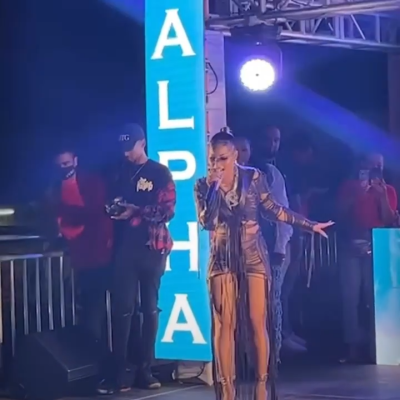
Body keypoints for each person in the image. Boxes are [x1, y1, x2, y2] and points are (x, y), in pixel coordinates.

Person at [194, 131, 333, 400]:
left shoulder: (253, 177)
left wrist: (309, 224)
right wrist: (214, 188)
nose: (217, 164)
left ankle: (261, 385)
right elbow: (207, 222)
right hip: (222, 256)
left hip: (253, 254)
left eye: (223, 158)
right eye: (212, 159)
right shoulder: (202, 185)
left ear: (235, 155)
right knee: (224, 323)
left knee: (258, 320)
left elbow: (274, 209)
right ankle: (227, 388)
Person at [98, 124, 176, 394]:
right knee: (122, 309)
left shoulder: (159, 172)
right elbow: (108, 203)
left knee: (150, 308)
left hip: (151, 247)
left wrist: (137, 211)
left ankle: (146, 368)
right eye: (123, 148)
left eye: (130, 148)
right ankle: (120, 371)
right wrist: (113, 209)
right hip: (122, 249)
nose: (126, 153)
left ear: (142, 143)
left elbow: (167, 211)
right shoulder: (118, 171)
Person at [46, 148, 113, 341]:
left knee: (94, 306)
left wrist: (64, 212)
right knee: (77, 306)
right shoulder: (54, 188)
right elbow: (50, 216)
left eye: (66, 163)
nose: (63, 168)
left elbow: (95, 213)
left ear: (75, 161)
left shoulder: (92, 182)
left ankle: (94, 349)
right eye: (59, 165)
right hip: (73, 256)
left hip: (96, 255)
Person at [337, 152, 397, 363]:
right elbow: (339, 216)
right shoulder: (349, 187)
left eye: (379, 165)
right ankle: (352, 346)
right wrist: (356, 195)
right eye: (372, 164)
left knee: (376, 298)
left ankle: (377, 345)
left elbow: (389, 220)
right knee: (350, 297)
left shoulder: (388, 190)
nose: (375, 168)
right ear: (361, 165)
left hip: (378, 245)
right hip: (351, 245)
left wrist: (382, 196)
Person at [251, 126, 294, 359]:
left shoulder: (271, 173)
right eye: (268, 139)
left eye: (276, 140)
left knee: (272, 300)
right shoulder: (236, 174)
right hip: (245, 249)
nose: (272, 145)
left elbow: (282, 212)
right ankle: (252, 355)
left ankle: (272, 355)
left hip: (270, 246)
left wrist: (280, 247)